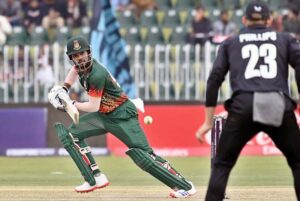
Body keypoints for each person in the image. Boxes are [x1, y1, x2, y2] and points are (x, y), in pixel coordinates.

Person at [47, 35, 196, 198]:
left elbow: (92, 106)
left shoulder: (96, 74)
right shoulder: (80, 68)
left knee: (145, 156)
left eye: (82, 53)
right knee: (70, 135)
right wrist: (64, 88)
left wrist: (70, 104)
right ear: (71, 58)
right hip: (103, 115)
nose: (80, 58)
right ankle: (95, 178)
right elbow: (74, 72)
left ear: (89, 52)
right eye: (75, 56)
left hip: (122, 115)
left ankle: (185, 186)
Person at [195, 1, 300, 200]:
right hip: (276, 104)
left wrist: (208, 121)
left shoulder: (230, 42)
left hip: (243, 106)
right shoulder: (285, 39)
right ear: (269, 20)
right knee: (297, 162)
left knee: (222, 165)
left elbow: (214, 79)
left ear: (244, 20)